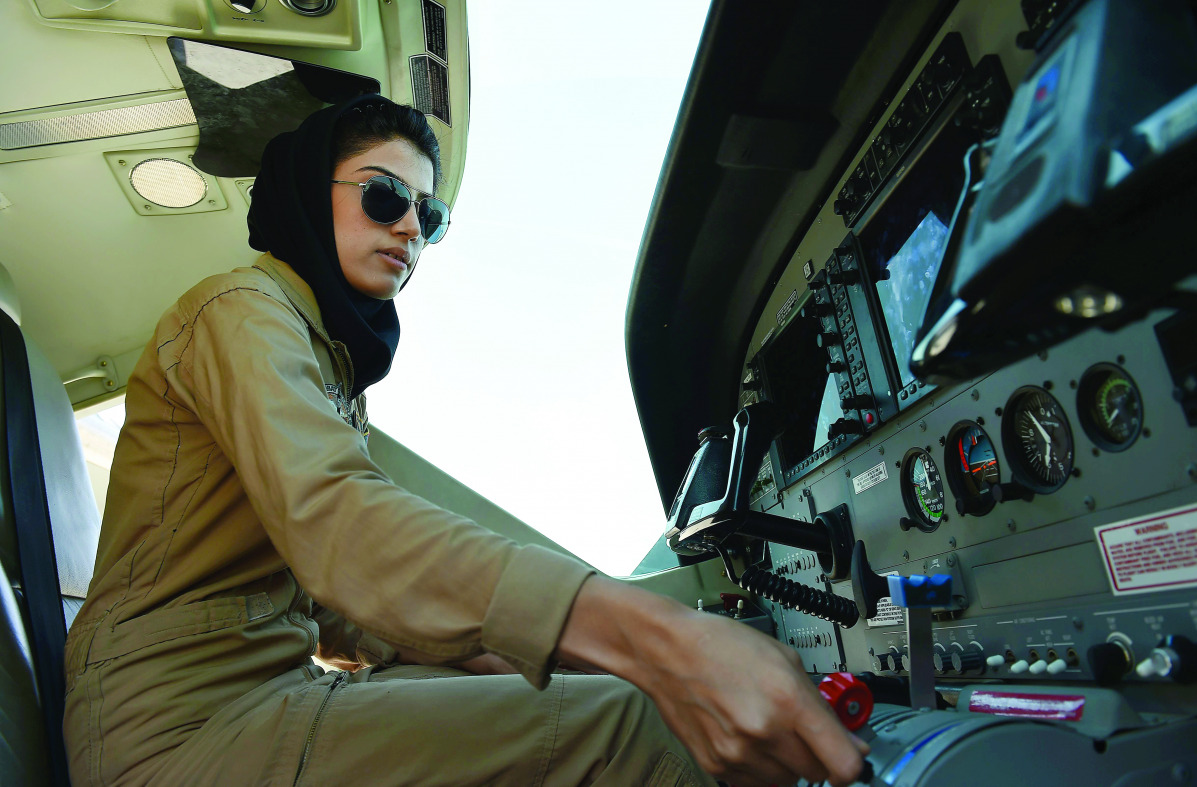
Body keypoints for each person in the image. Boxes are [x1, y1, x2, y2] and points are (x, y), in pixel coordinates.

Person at [63, 94, 867, 787]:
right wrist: (663, 641)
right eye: (384, 197)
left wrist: (523, 655)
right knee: (631, 723)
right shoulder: (239, 312)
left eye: (429, 214)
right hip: (173, 731)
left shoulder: (321, 359)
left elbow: (338, 601)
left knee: (593, 697)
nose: (411, 226)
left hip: (247, 702)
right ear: (315, 190)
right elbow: (342, 525)